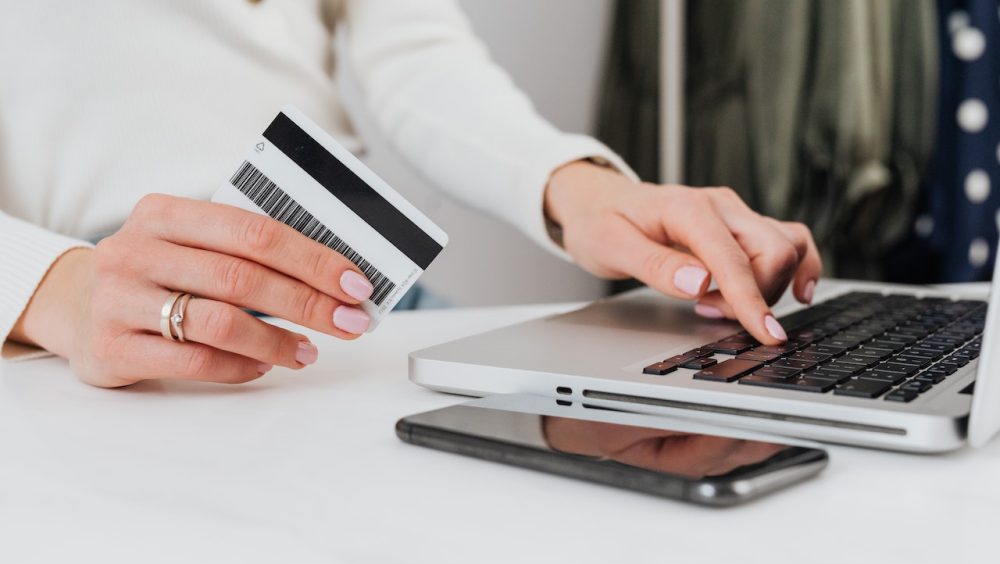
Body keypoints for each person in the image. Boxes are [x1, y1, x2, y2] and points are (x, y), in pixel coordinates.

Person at [0, 0, 821, 388]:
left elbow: (414, 48)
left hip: (358, 312)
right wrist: (52, 288)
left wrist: (571, 185)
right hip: (90, 341)